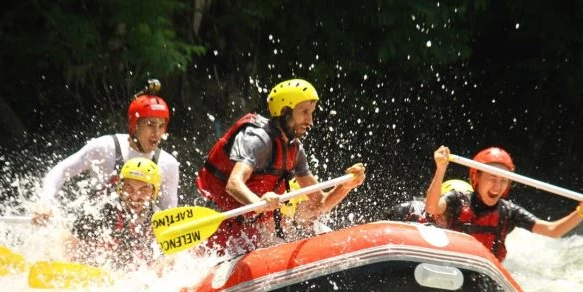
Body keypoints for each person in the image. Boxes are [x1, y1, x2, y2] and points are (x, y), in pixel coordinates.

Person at [196, 78, 366, 255]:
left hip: (251, 229)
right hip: (220, 224)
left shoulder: (295, 150)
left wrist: (345, 187)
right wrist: (259, 203)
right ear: (285, 112)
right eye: (304, 112)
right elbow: (233, 184)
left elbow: (319, 204)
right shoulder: (258, 140)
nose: (310, 121)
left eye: (312, 113)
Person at [425, 145, 583, 261]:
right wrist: (441, 168)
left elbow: (552, 231)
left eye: (503, 181)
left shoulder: (509, 212)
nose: (497, 186)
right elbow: (432, 208)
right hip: (450, 264)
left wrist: (582, 211)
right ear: (476, 177)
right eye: (492, 178)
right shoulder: (458, 199)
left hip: (482, 275)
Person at [34, 83, 179, 222]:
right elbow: (61, 171)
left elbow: (169, 212)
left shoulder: (168, 164)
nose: (157, 132)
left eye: (161, 126)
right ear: (135, 125)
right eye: (150, 124)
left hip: (138, 236)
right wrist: (45, 202)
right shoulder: (105, 147)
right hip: (95, 228)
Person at [65, 157, 161, 268]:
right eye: (129, 189)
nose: (135, 196)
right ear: (120, 188)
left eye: (143, 191)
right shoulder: (101, 213)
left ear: (153, 193)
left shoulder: (160, 221)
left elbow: (170, 261)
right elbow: (70, 244)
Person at [384, 179, 473, 226]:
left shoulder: (465, 224)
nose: (442, 216)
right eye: (446, 209)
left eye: (452, 212)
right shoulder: (413, 210)